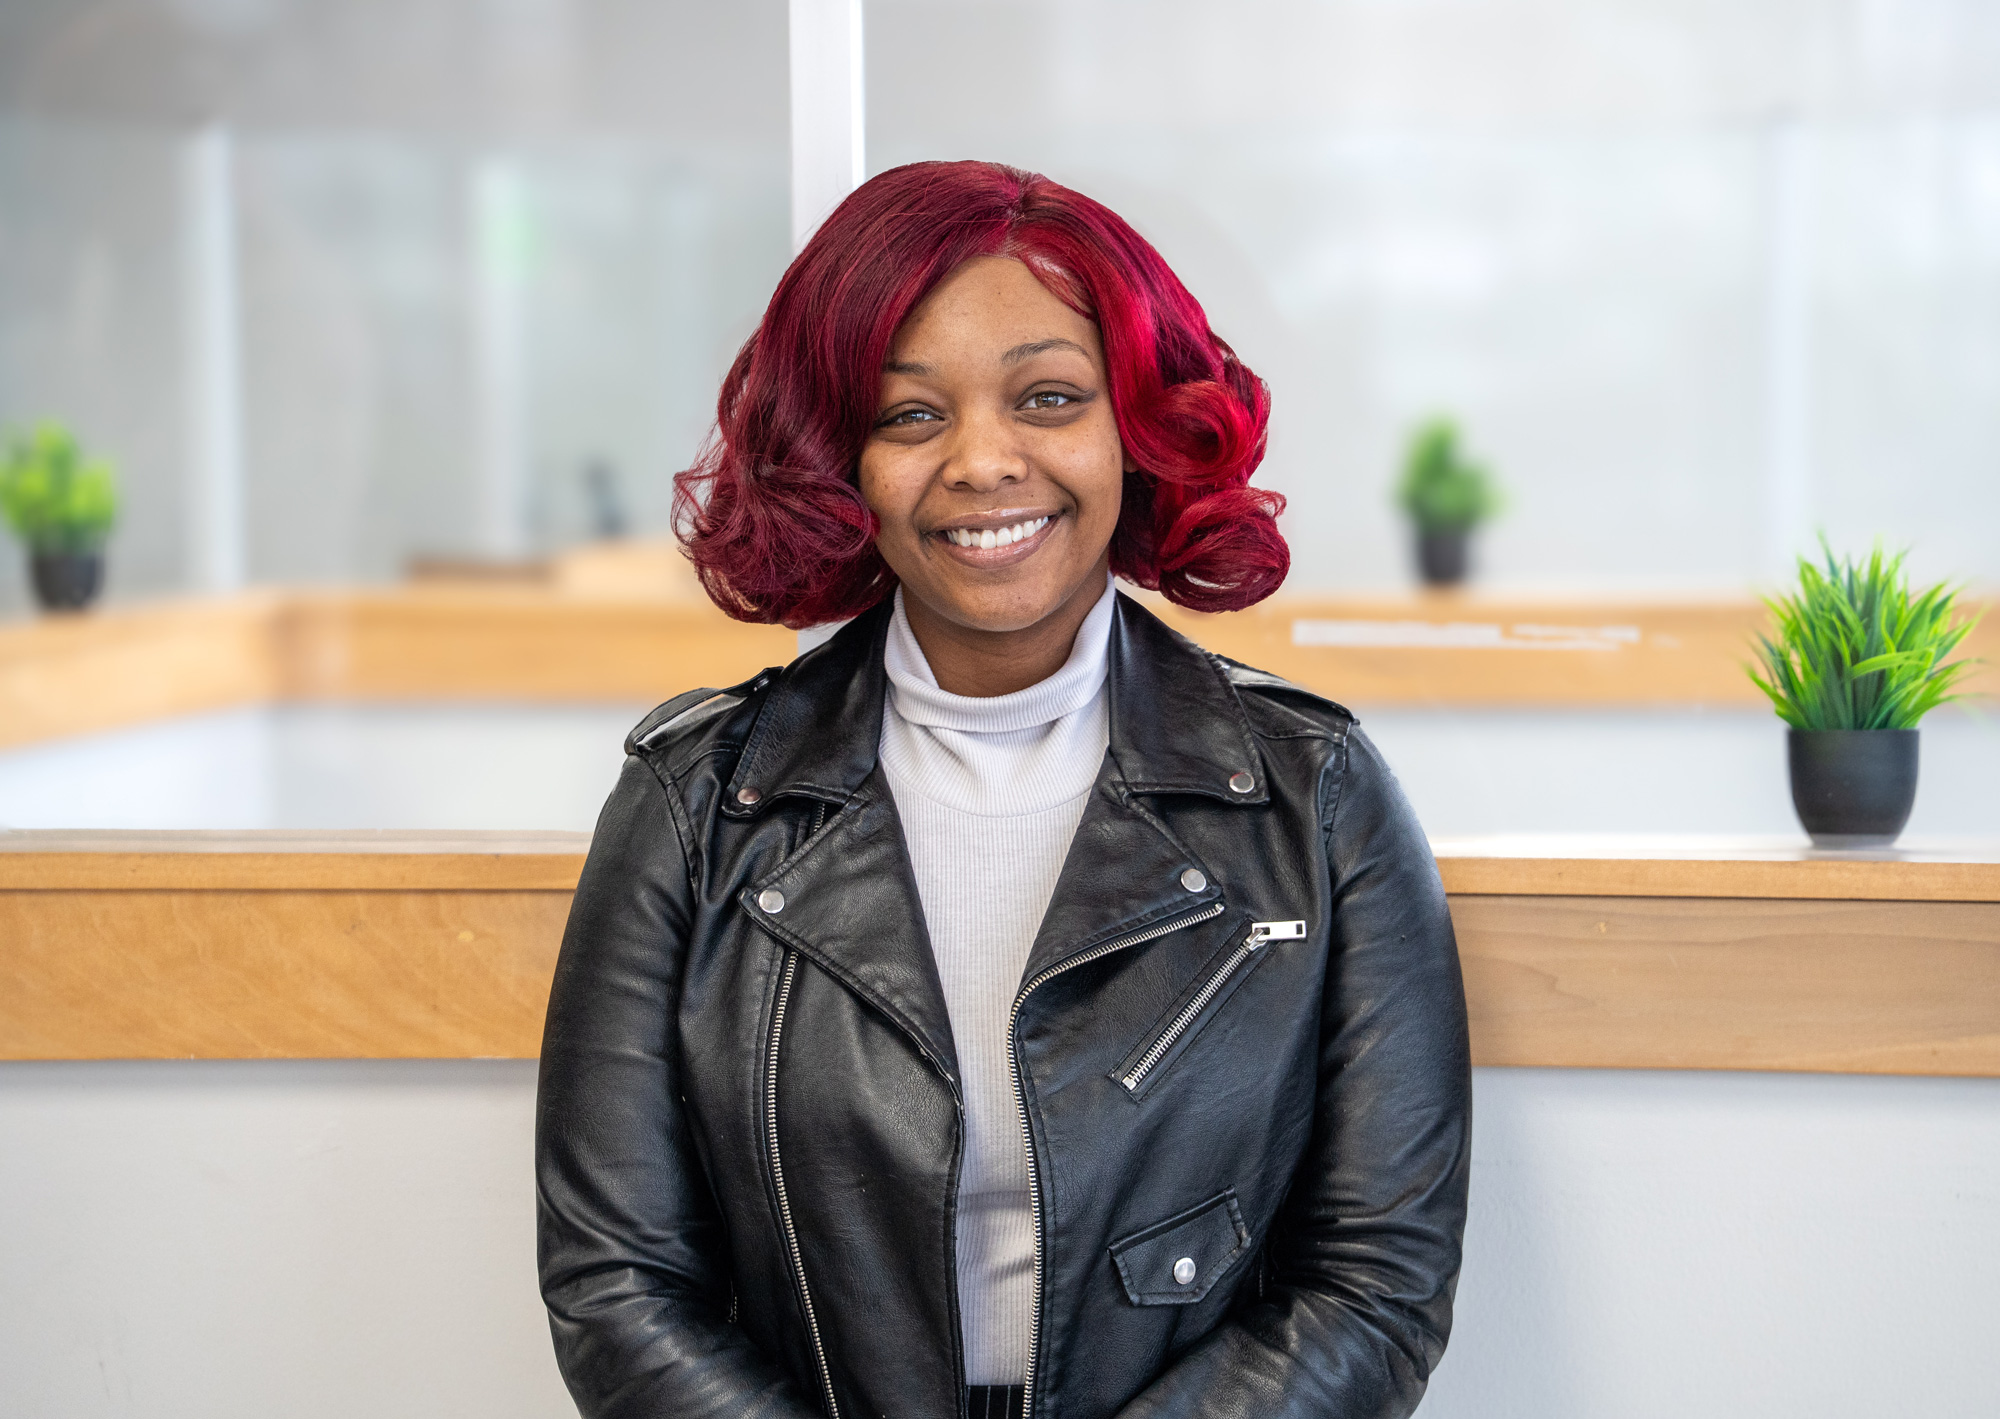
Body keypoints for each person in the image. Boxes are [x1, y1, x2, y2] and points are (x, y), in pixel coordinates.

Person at [536, 160, 1470, 1419]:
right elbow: (617, 1288)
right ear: (837, 460)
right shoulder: (695, 807)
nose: (982, 462)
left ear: (1136, 429)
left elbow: (1375, 1285)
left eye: (1048, 398)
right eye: (910, 414)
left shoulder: (1315, 797)